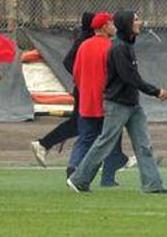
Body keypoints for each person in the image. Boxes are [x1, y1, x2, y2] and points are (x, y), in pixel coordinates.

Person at [68, 11, 167, 194]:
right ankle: (79, 179)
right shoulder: (119, 48)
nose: (140, 22)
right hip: (118, 104)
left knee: (143, 144)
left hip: (131, 104)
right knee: (105, 142)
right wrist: (155, 91)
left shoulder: (125, 45)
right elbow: (129, 77)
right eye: (136, 20)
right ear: (127, 23)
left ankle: (153, 184)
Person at [66, 12, 130, 187]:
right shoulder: (111, 46)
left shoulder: (84, 46)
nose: (113, 27)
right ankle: (107, 178)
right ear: (104, 26)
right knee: (111, 139)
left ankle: (73, 167)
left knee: (85, 138)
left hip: (87, 100)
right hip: (107, 100)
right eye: (110, 24)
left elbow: (76, 73)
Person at [30, 12, 95, 167]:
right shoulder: (84, 40)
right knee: (82, 124)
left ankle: (45, 143)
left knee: (78, 124)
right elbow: (68, 61)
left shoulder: (86, 38)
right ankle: (45, 144)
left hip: (84, 87)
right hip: (84, 88)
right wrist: (83, 76)